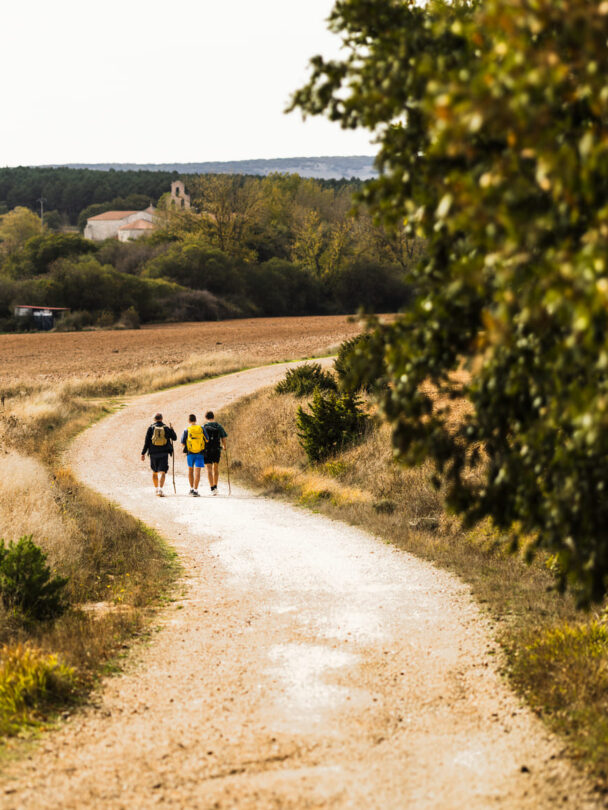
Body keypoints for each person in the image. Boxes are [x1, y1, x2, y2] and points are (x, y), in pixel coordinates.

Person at [141, 412, 177, 497]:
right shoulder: (166, 428)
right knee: (163, 472)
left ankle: (156, 488)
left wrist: (143, 453)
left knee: (155, 472)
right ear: (161, 418)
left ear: (154, 419)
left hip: (153, 453)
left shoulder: (151, 428)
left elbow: (147, 442)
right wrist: (172, 429)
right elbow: (174, 438)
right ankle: (160, 490)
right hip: (164, 453)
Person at [181, 414, 208, 497]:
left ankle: (191, 489)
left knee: (190, 470)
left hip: (190, 453)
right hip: (200, 453)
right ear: (195, 420)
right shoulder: (201, 428)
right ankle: (196, 491)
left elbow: (182, 443)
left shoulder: (187, 429)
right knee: (198, 472)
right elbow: (207, 439)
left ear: (189, 421)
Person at [203, 410, 228, 495]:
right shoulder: (218, 426)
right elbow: (223, 437)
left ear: (206, 418)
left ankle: (212, 489)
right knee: (216, 468)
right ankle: (216, 487)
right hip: (216, 449)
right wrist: (224, 446)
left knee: (209, 469)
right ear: (213, 416)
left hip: (207, 450)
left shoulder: (204, 427)